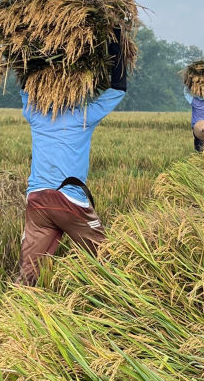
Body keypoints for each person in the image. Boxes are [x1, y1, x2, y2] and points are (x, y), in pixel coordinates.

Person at [18, 31, 127, 286]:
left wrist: (32, 52)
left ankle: (20, 312)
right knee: (106, 259)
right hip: (69, 201)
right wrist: (115, 42)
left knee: (29, 272)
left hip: (36, 201)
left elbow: (25, 82)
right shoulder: (83, 117)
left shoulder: (35, 114)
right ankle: (118, 297)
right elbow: (118, 88)